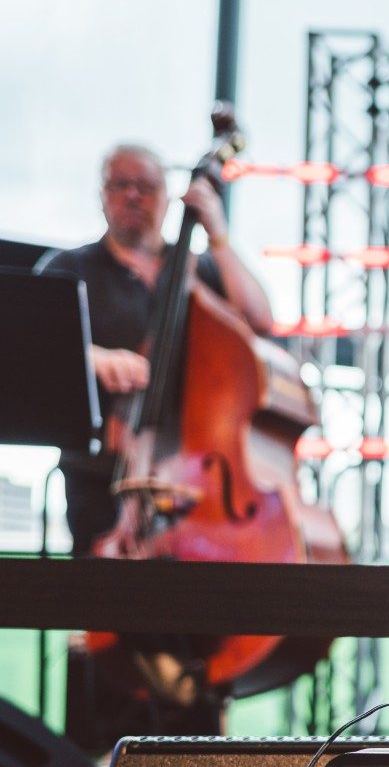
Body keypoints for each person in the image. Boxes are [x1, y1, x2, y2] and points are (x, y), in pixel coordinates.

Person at [37, 143, 275, 553]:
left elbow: (260, 321)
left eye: (145, 186)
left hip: (197, 472)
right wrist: (93, 357)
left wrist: (217, 233)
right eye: (120, 184)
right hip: (101, 474)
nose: (132, 195)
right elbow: (33, 352)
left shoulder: (201, 269)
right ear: (101, 196)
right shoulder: (68, 270)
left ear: (167, 197)